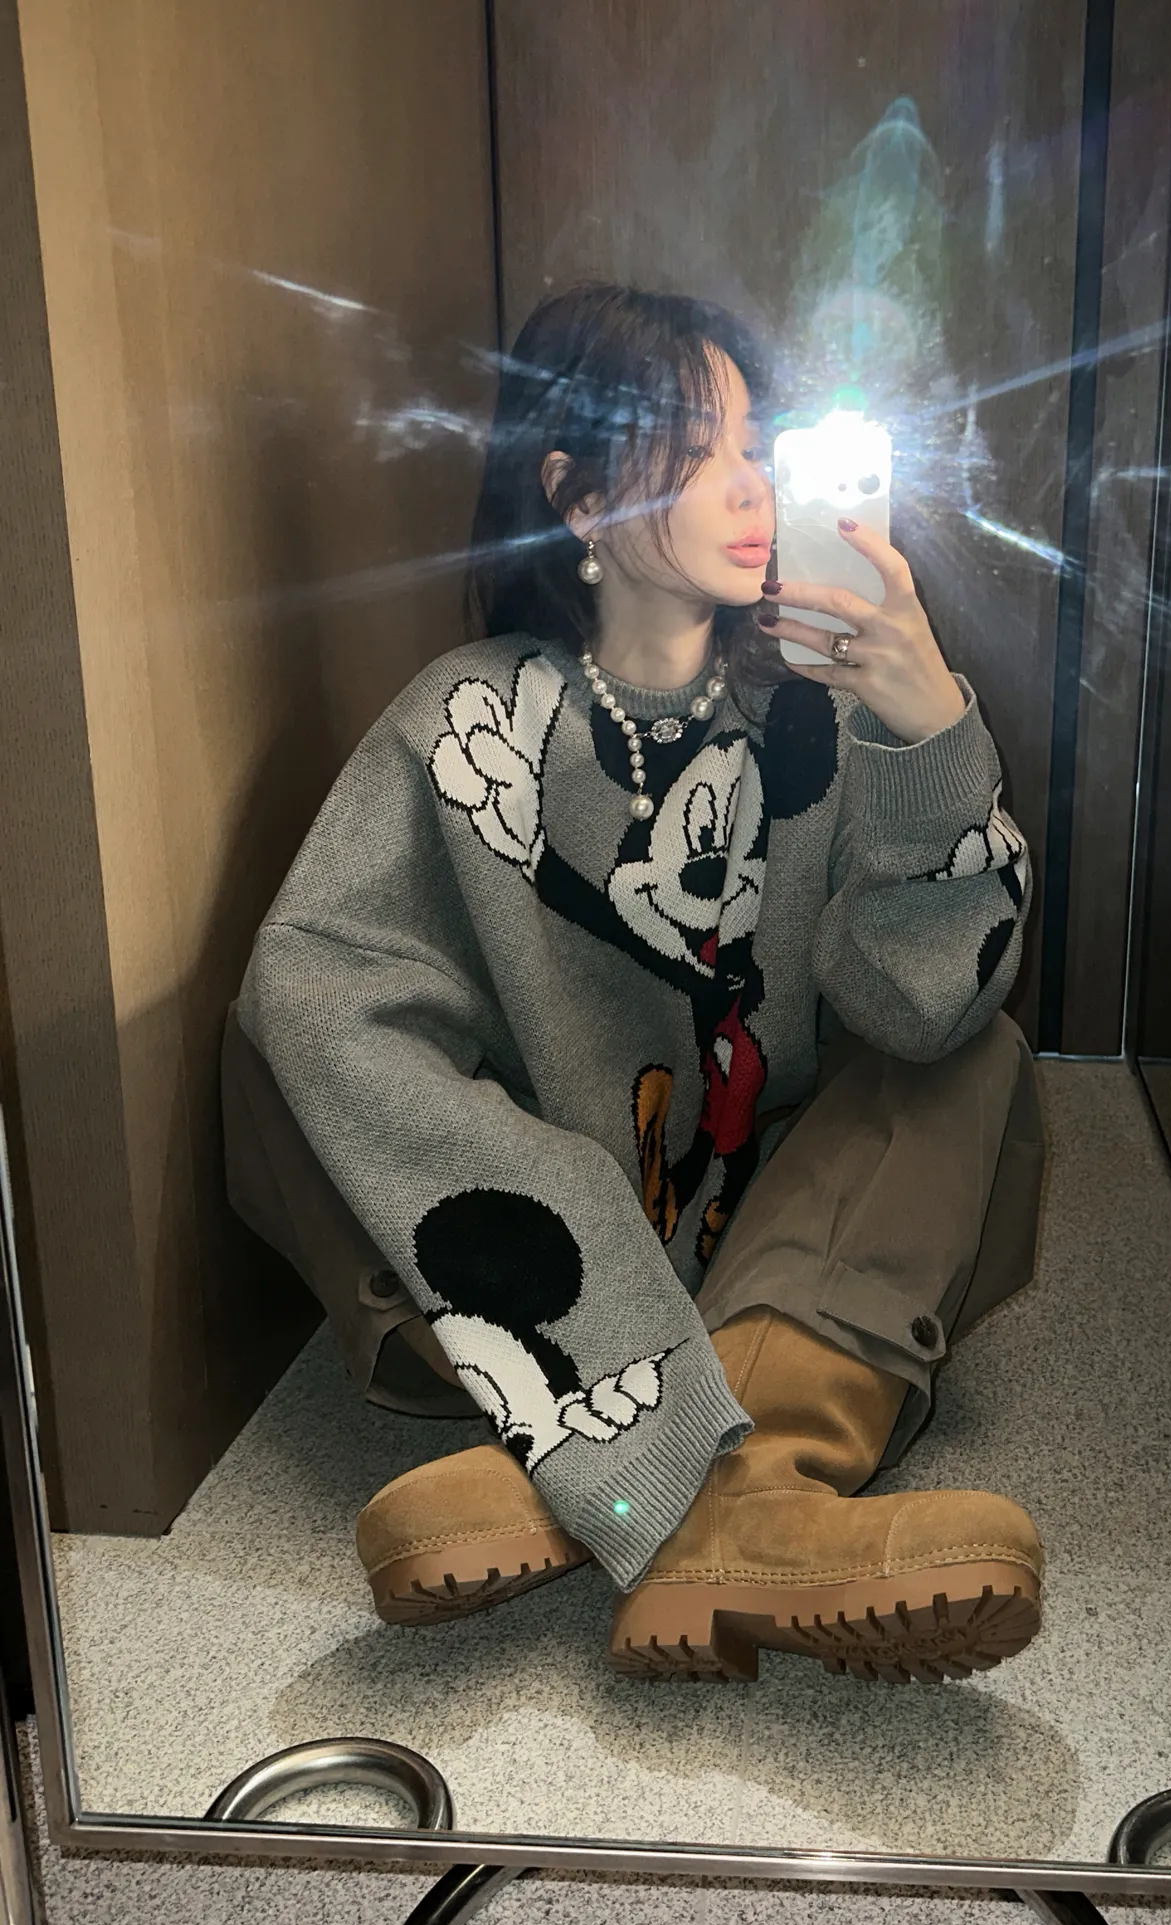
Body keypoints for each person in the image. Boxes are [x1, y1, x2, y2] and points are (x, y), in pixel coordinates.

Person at [223, 281, 1047, 1687]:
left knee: (973, 1056)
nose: (752, 485)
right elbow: (322, 995)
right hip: (539, 1276)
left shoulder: (822, 711)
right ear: (580, 496)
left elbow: (920, 1005)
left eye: (759, 446)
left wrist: (926, 733)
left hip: (779, 1246)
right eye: (698, 445)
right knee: (283, 1040)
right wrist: (576, 1228)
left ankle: (624, 1469)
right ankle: (733, 1502)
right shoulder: (468, 721)